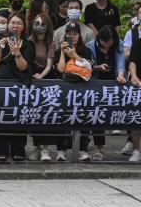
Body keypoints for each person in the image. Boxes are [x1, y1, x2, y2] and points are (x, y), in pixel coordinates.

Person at [0, 14, 34, 163]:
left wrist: (17, 52)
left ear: (23, 27)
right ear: (8, 25)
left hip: (20, 86)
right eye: (12, 22)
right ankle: (1, 150)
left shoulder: (28, 44)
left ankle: (18, 149)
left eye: (19, 23)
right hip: (2, 86)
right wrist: (0, 48)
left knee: (19, 117)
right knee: (1, 117)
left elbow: (23, 67)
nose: (15, 25)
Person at [86, 25, 126, 162]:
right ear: (99, 39)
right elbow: (87, 65)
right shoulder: (91, 45)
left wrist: (121, 74)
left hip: (114, 83)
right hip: (96, 83)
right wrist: (98, 67)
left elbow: (121, 61)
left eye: (111, 43)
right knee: (97, 115)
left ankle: (130, 142)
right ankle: (99, 148)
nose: (108, 46)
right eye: (105, 43)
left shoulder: (118, 44)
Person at [55, 23, 93, 162]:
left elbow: (89, 67)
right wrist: (62, 52)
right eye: (69, 34)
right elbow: (60, 69)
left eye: (75, 34)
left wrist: (74, 55)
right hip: (64, 90)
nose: (72, 36)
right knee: (61, 118)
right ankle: (61, 150)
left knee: (82, 119)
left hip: (81, 90)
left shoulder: (86, 50)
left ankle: (83, 150)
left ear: (79, 35)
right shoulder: (60, 49)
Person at [28, 13, 56, 162]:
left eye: (42, 24)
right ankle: (37, 147)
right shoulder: (29, 40)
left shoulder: (50, 42)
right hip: (31, 78)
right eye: (36, 23)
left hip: (46, 79)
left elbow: (49, 64)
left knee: (46, 115)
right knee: (34, 116)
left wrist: (41, 75)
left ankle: (45, 149)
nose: (39, 26)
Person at [125, 32, 141, 162]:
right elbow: (132, 62)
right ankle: (136, 150)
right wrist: (134, 76)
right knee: (136, 119)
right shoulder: (138, 43)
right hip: (139, 86)